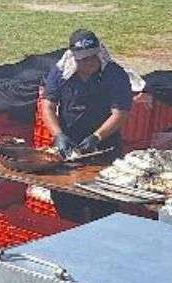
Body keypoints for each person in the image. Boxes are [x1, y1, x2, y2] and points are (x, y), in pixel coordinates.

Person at [42, 29, 134, 221]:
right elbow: (48, 106)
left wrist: (97, 137)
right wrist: (58, 135)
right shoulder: (61, 72)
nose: (88, 63)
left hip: (104, 149)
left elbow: (120, 113)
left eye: (92, 57)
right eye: (82, 59)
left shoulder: (115, 74)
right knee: (66, 205)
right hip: (68, 149)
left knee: (102, 208)